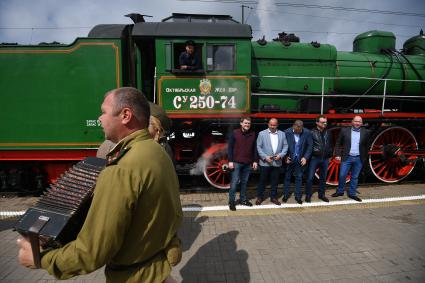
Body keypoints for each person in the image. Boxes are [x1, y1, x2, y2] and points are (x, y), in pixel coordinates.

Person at [17, 87, 183, 283]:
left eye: (104, 112)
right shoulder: (157, 151)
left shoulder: (120, 170)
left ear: (125, 115)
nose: (100, 118)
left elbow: (91, 253)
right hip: (157, 270)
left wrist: (42, 259)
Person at [332, 115, 371, 202]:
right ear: (352, 122)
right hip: (347, 157)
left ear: (362, 123)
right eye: (356, 121)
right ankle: (340, 191)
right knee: (342, 175)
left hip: (358, 158)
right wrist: (337, 154)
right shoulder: (344, 131)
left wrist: (364, 156)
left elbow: (367, 145)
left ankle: (352, 194)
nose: (357, 123)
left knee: (355, 177)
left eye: (359, 122)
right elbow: (338, 143)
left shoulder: (366, 132)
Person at [227, 117, 258, 211]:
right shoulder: (235, 133)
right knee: (234, 183)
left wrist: (255, 161)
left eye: (249, 123)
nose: (247, 125)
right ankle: (231, 202)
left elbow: (254, 149)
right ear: (241, 123)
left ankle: (243, 200)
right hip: (236, 162)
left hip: (247, 163)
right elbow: (230, 148)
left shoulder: (253, 134)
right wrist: (230, 161)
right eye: (245, 123)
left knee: (245, 183)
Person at [256, 118, 288, 206]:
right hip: (265, 162)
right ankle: (260, 197)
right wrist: (265, 157)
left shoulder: (282, 134)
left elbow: (285, 146)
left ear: (277, 125)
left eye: (274, 125)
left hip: (277, 162)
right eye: (271, 125)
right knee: (262, 181)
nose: (273, 127)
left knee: (275, 181)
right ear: (268, 124)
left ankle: (273, 197)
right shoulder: (261, 134)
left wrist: (281, 155)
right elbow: (259, 147)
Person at [283, 120, 312, 205]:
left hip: (300, 158)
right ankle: (285, 195)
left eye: (300, 131)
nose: (298, 132)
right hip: (289, 158)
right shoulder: (287, 132)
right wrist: (285, 156)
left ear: (302, 128)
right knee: (287, 177)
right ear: (293, 126)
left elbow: (310, 146)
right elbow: (282, 145)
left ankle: (298, 196)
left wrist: (305, 157)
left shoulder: (307, 132)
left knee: (299, 177)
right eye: (296, 130)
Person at [305, 115, 332, 203]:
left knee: (323, 178)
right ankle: (308, 195)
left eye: (325, 122)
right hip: (314, 158)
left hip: (325, 158)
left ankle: (322, 195)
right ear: (317, 122)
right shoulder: (311, 132)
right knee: (310, 178)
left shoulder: (328, 132)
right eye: (323, 122)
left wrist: (330, 155)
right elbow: (308, 146)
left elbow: (331, 144)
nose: (325, 123)